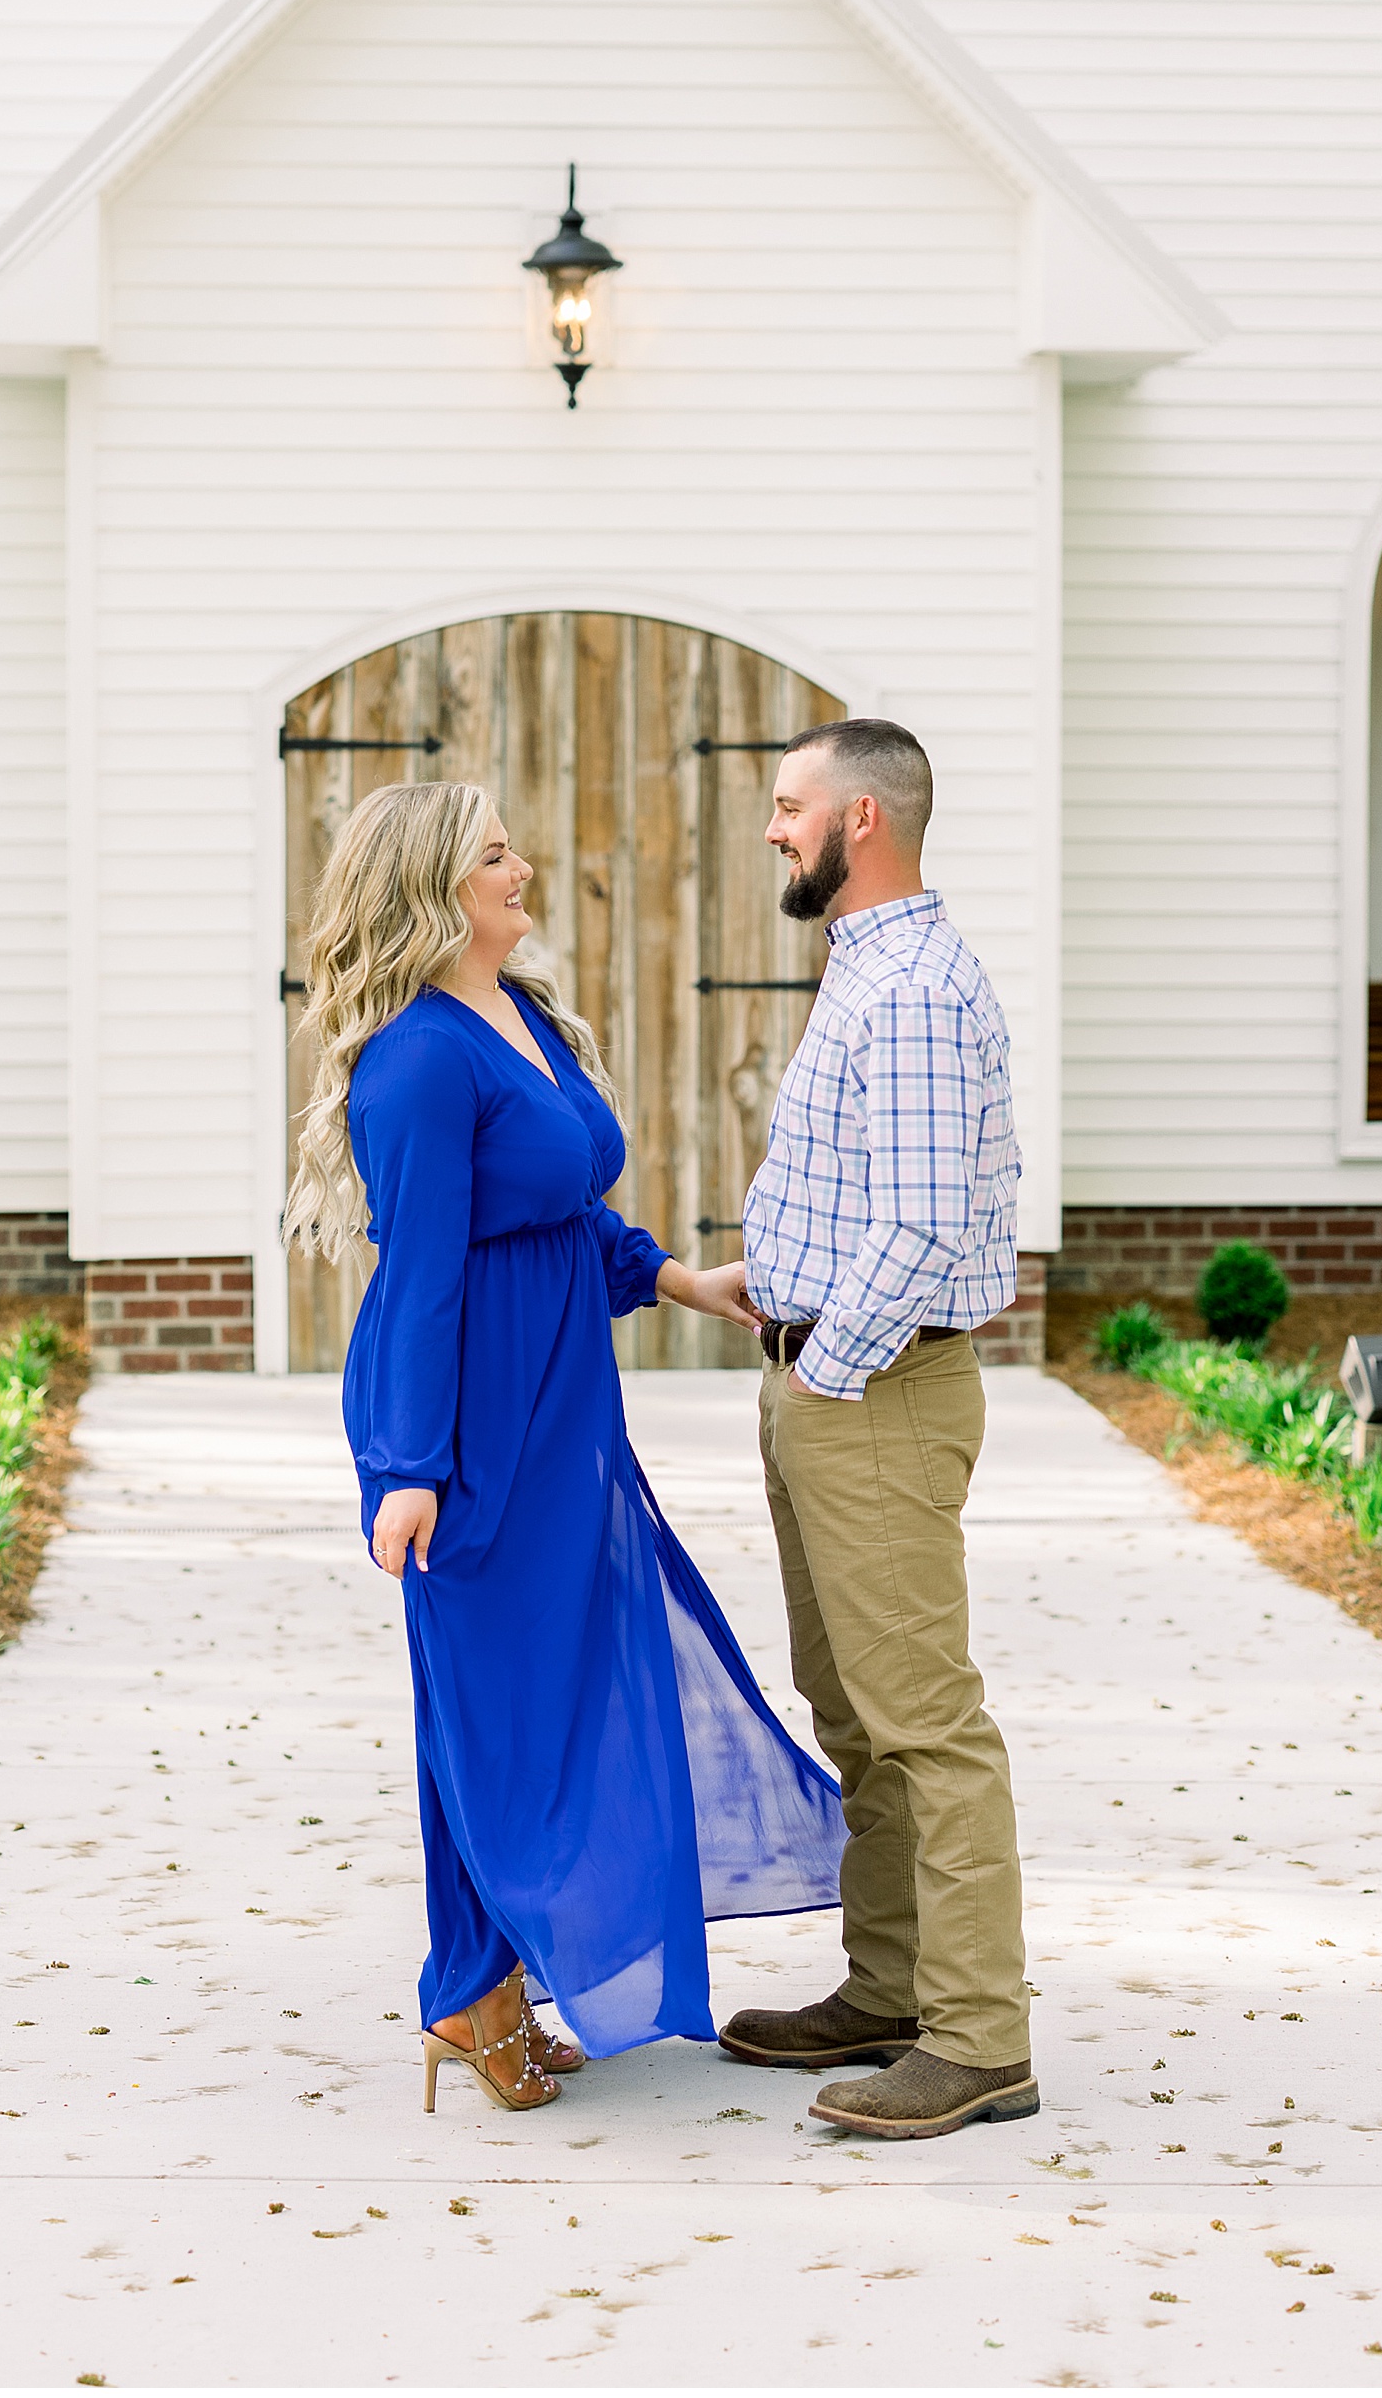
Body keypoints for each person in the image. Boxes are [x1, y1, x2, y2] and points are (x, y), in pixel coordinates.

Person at [283, 778, 844, 2115]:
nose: (523, 866)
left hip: (560, 1405)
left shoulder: (519, 1015)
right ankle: (469, 1987)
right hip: (470, 1418)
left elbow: (555, 1218)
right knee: (488, 1710)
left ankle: (489, 1984)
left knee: (566, 1687)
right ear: (432, 889)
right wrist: (409, 1466)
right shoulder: (421, 1054)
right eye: (493, 854)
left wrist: (683, 1280)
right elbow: (421, 1268)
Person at [721, 716, 1039, 2143]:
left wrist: (825, 1369)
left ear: (862, 820)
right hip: (833, 1384)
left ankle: (978, 2039)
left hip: (871, 1393)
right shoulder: (873, 969)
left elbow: (915, 1222)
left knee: (926, 1722)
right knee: (857, 1714)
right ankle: (895, 1985)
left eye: (789, 804)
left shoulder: (908, 988)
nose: (773, 828)